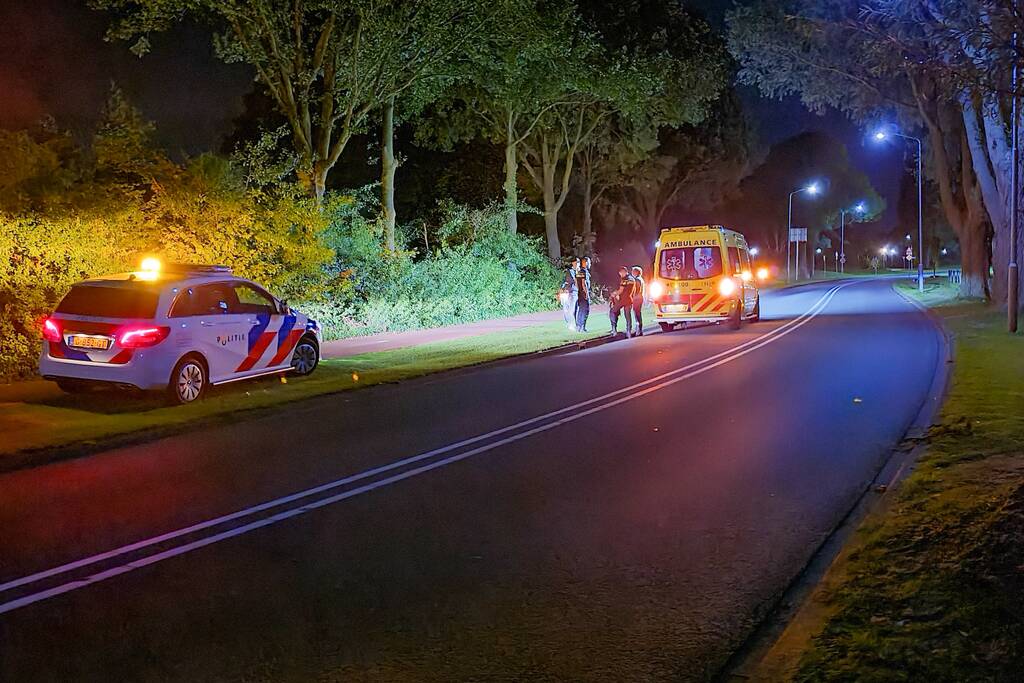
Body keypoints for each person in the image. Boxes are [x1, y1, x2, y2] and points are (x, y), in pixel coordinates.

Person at [609, 265, 636, 338]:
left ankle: (614, 329)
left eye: (620, 274)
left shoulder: (625, 280)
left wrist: (614, 294)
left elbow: (621, 290)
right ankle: (628, 331)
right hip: (629, 299)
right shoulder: (632, 279)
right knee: (628, 316)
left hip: (622, 300)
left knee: (612, 311)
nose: (620, 275)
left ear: (623, 272)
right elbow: (634, 290)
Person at [561, 258, 580, 331]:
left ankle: (572, 324)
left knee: (572, 309)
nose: (578, 264)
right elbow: (565, 281)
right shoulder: (569, 272)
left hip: (574, 292)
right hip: (568, 292)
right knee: (567, 309)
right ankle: (570, 324)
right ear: (573, 263)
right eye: (576, 262)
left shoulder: (578, 271)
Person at [575, 256, 592, 332]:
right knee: (585, 310)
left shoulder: (579, 271)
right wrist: (586, 293)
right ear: (586, 263)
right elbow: (583, 283)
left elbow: (576, 282)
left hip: (579, 293)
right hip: (584, 293)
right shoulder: (584, 271)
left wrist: (579, 291)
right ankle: (582, 327)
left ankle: (578, 326)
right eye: (589, 262)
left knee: (581, 310)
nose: (590, 264)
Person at [630, 265, 646, 336]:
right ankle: (639, 330)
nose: (632, 273)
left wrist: (632, 296)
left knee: (637, 314)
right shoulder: (641, 279)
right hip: (640, 297)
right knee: (638, 314)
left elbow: (635, 290)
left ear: (636, 272)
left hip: (637, 299)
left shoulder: (637, 280)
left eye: (633, 271)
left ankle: (638, 330)